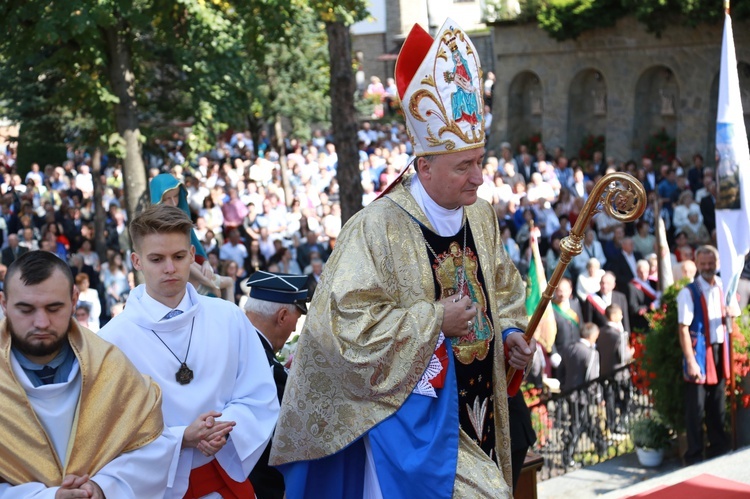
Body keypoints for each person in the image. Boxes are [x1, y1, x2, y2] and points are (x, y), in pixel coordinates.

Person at [269, 18, 534, 498]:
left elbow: (504, 286)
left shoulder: (482, 217)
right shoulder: (377, 228)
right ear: (425, 166)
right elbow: (343, 328)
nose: (479, 178)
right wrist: (435, 320)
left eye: (480, 161)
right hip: (414, 425)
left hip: (483, 406)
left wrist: (513, 333)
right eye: (464, 167)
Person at [99, 204, 279, 498]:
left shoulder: (228, 317)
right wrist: (181, 438)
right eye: (157, 259)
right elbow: (112, 430)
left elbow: (259, 393)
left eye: (179, 257)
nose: (170, 268)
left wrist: (222, 427)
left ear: (192, 257)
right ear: (137, 261)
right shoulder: (111, 340)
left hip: (224, 475)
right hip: (157, 487)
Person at [0, 250, 177, 496]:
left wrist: (104, 487)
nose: (41, 322)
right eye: (26, 309)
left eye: (54, 308)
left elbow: (154, 443)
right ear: (4, 304)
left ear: (74, 300)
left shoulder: (110, 365)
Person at [245, 271, 309, 499]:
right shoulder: (266, 366)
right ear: (282, 316)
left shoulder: (232, 341)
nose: (294, 329)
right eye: (297, 319)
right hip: (259, 487)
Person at [677, 245, 738, 464]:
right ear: (696, 263)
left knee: (718, 403)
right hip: (699, 352)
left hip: (720, 349)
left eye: (710, 263)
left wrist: (731, 313)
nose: (707, 267)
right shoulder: (688, 292)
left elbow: (734, 315)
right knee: (696, 407)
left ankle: (718, 448)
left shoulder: (724, 286)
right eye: (703, 264)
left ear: (717, 263)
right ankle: (694, 454)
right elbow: (683, 328)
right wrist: (691, 361)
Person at [150, 173, 234, 301]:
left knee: (225, 286)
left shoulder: (180, 219)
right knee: (223, 286)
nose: (173, 202)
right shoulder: (158, 228)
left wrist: (205, 262)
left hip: (196, 273)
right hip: (182, 281)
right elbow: (181, 260)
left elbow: (194, 245)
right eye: (167, 198)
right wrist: (209, 283)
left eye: (176, 196)